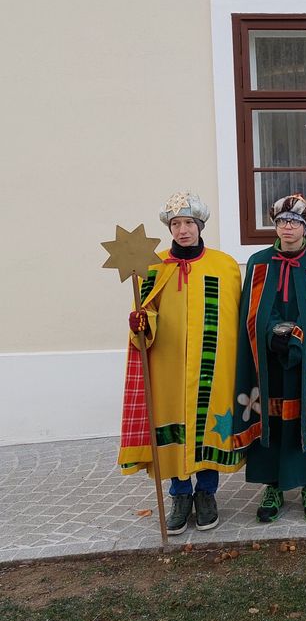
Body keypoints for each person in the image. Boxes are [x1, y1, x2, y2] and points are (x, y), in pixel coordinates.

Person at [119, 191, 244, 535]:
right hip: (168, 366)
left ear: (200, 226)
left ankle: (206, 494)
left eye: (189, 222)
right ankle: (180, 495)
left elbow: (236, 314)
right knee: (171, 425)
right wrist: (141, 324)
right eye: (176, 224)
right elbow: (149, 313)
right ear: (169, 228)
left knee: (208, 425)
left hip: (213, 365)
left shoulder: (225, 265)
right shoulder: (153, 265)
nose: (183, 230)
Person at [232, 194, 306, 522]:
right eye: (282, 222)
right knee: (274, 418)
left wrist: (297, 338)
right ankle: (274, 486)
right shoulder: (258, 264)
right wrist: (271, 335)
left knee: (305, 415)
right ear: (275, 225)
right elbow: (250, 314)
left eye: (295, 222)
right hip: (267, 360)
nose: (288, 228)